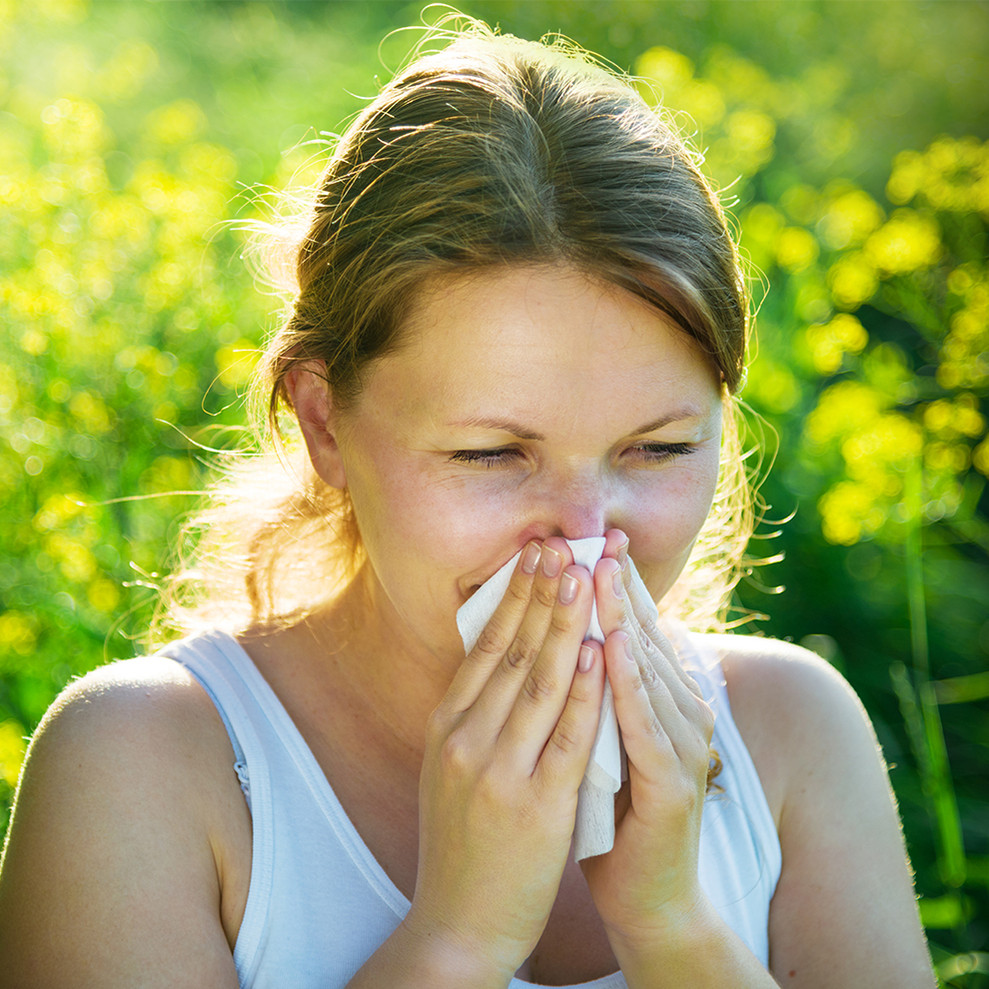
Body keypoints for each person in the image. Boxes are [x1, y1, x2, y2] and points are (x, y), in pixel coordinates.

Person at [0, 18, 936, 989]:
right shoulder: (145, 767)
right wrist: (458, 937)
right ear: (324, 424)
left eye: (656, 448)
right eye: (491, 454)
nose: (583, 536)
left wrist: (670, 925)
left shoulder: (788, 733)